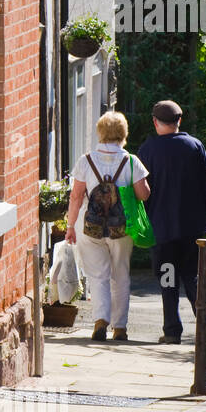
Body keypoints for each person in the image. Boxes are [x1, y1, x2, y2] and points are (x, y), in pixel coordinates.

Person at [136, 100, 206, 344]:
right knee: (194, 278)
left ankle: (172, 331)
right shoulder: (195, 146)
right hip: (193, 228)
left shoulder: (147, 150)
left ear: (155, 122)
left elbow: (141, 191)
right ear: (179, 121)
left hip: (162, 230)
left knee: (168, 280)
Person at [65, 111, 151, 342]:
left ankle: (100, 321)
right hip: (121, 229)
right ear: (123, 134)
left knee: (98, 275)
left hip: (90, 226)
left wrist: (70, 225)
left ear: (100, 132)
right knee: (120, 274)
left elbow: (76, 196)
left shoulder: (86, 160)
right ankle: (120, 327)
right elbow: (144, 194)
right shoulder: (132, 161)